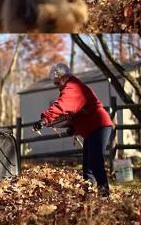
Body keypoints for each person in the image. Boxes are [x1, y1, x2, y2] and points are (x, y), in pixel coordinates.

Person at [32, 63, 113, 197]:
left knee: (95, 161)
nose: (58, 87)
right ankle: (89, 195)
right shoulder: (73, 87)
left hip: (99, 125)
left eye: (57, 83)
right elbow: (76, 112)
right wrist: (73, 127)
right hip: (91, 129)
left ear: (63, 78)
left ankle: (104, 194)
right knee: (87, 166)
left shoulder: (73, 87)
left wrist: (44, 119)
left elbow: (62, 105)